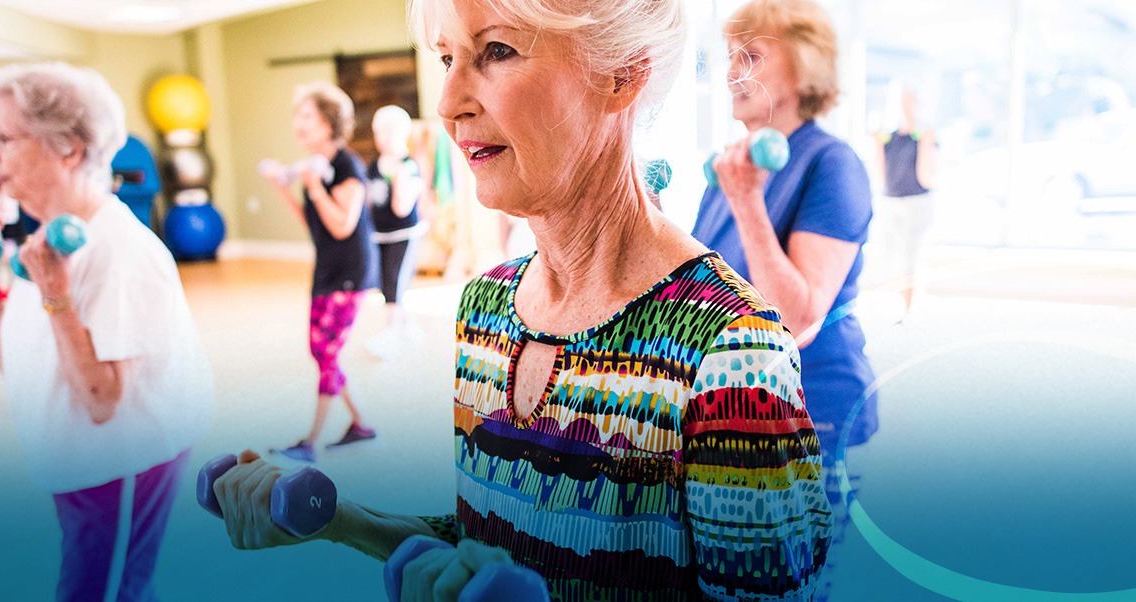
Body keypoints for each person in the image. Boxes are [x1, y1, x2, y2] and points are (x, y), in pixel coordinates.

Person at [213, 0, 831, 598]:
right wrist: (338, 519)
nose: (450, 104)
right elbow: (495, 545)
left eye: (497, 51)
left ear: (624, 74)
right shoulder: (485, 308)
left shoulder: (731, 354)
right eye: (447, 57)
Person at [0, 62, 214, 602]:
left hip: (120, 467)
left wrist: (55, 293)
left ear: (69, 149)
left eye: (2, 138)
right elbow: (16, 362)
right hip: (78, 467)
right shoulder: (48, 237)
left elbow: (102, 399)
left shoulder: (119, 250)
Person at [692, 1, 876, 597]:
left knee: (795, 585)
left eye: (753, 56)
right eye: (731, 58)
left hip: (812, 409)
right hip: (734, 411)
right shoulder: (731, 171)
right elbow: (702, 292)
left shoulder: (832, 164)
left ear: (805, 69)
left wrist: (747, 202)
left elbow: (797, 318)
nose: (732, 74)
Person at [258, 82, 379, 462]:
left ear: (329, 123)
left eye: (307, 116)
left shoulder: (347, 165)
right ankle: (360, 424)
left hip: (350, 269)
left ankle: (309, 442)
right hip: (327, 265)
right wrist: (285, 189)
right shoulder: (313, 166)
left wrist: (313, 184)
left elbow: (343, 225)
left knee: (327, 350)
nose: (299, 123)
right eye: (298, 116)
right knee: (320, 349)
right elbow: (313, 225)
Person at [865, 83, 939, 321]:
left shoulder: (925, 137)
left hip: (917, 203)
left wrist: (926, 145)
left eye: (910, 102)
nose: (905, 108)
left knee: (910, 257)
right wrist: (876, 144)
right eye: (901, 102)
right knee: (890, 255)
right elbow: (880, 177)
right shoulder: (890, 139)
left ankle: (909, 309)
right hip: (890, 202)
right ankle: (897, 305)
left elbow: (926, 178)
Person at [363, 105, 428, 359]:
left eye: (390, 132)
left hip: (404, 235)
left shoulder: (408, 166)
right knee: (384, 283)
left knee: (395, 283)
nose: (384, 138)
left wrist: (401, 179)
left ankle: (390, 334)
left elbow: (401, 208)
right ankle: (408, 326)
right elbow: (368, 202)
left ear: (403, 133)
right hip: (379, 235)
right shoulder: (373, 166)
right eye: (379, 132)